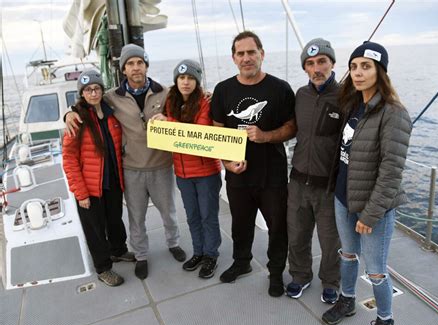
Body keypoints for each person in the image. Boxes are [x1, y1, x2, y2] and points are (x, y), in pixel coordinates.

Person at [65, 44, 186, 280]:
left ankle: (173, 243)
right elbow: (86, 104)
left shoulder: (166, 92)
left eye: (140, 62)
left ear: (146, 65)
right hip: (132, 170)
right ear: (123, 70)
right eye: (130, 64)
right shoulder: (112, 97)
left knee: (169, 212)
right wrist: (69, 113)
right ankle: (140, 255)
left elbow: (189, 102)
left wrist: (171, 117)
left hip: (161, 165)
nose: (136, 67)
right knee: (135, 217)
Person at [321, 42, 412, 325]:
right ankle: (347, 300)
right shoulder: (352, 105)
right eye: (354, 66)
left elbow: (391, 172)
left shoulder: (394, 114)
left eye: (366, 66)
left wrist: (370, 214)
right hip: (343, 197)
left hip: (373, 209)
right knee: (347, 254)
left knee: (375, 270)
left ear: (380, 72)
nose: (358, 73)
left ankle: (385, 320)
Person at [211, 31, 296, 297]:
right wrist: (226, 162)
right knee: (240, 223)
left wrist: (266, 136)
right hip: (238, 175)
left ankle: (276, 272)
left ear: (262, 53)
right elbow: (217, 129)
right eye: (241, 53)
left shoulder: (280, 88)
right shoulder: (223, 90)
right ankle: (242, 262)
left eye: (251, 52)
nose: (246, 58)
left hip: (272, 175)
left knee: (278, 226)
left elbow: (291, 127)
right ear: (234, 58)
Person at [63, 69, 134, 287]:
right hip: (90, 186)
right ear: (81, 93)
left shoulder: (111, 113)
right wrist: (80, 193)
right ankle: (103, 268)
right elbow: (69, 159)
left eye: (96, 88)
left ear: (102, 90)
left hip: (112, 181)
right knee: (95, 229)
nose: (93, 93)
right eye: (87, 90)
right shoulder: (76, 119)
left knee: (114, 219)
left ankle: (118, 250)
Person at [153, 59, 222, 278]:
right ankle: (199, 251)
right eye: (182, 78)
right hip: (182, 173)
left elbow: (199, 131)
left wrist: (169, 124)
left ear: (197, 81)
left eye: (191, 78)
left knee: (208, 215)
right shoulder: (170, 101)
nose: (186, 82)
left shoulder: (205, 102)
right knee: (192, 216)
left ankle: (211, 254)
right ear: (176, 80)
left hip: (206, 172)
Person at [286, 38, 342, 303]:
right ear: (305, 68)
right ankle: (299, 275)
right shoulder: (301, 95)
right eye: (310, 63)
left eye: (322, 61)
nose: (316, 68)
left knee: (331, 240)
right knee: (297, 234)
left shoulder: (346, 97)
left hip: (328, 186)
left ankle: (331, 281)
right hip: (297, 180)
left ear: (332, 63)